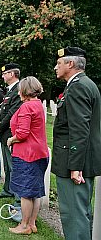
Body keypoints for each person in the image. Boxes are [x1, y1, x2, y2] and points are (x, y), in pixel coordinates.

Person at [52, 47, 101, 240]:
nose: (56, 67)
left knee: (73, 214)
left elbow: (80, 130)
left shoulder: (78, 86)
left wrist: (75, 167)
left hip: (73, 162)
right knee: (80, 212)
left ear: (70, 64)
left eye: (59, 63)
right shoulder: (82, 84)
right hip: (78, 159)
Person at [6, 76, 49, 235]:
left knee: (25, 192)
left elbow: (22, 134)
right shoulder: (37, 104)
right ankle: (32, 223)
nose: (18, 92)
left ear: (24, 90)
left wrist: (11, 139)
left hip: (27, 154)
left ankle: (24, 226)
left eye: (20, 89)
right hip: (40, 153)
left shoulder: (26, 107)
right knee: (35, 191)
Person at [0, 63, 22, 199]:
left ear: (11, 74)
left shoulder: (19, 89)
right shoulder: (10, 90)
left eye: (5, 74)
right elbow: (3, 109)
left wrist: (0, 125)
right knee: (7, 164)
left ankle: (17, 197)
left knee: (12, 165)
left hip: (10, 132)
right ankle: (8, 189)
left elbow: (12, 112)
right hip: (5, 132)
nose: (3, 76)